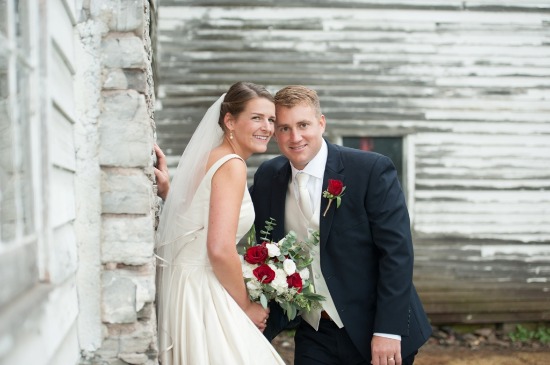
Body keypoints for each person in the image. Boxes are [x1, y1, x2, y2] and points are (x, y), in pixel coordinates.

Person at [249, 85, 432, 365]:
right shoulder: (268, 177)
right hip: (314, 328)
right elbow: (238, 219)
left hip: (375, 329)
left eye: (303, 125)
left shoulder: (370, 170)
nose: (295, 137)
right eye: (284, 128)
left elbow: (397, 254)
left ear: (321, 123)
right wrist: (169, 191)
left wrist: (388, 330)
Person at [155, 82, 286, 365]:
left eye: (271, 119)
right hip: (201, 289)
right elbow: (218, 247)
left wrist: (168, 192)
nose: (267, 127)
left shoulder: (209, 157)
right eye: (256, 117)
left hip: (182, 283)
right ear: (230, 121)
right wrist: (247, 306)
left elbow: (193, 217)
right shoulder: (232, 164)